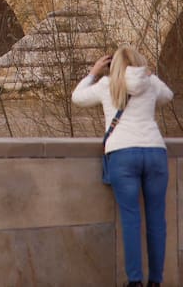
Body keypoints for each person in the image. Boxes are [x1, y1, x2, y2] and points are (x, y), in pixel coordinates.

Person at [73, 46, 172, 287]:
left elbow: (77, 97)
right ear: (140, 63)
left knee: (131, 220)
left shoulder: (107, 85)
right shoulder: (150, 84)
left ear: (113, 65)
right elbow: (168, 96)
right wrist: (150, 75)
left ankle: (135, 281)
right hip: (155, 152)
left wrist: (93, 72)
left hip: (123, 154)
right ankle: (156, 281)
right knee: (156, 220)